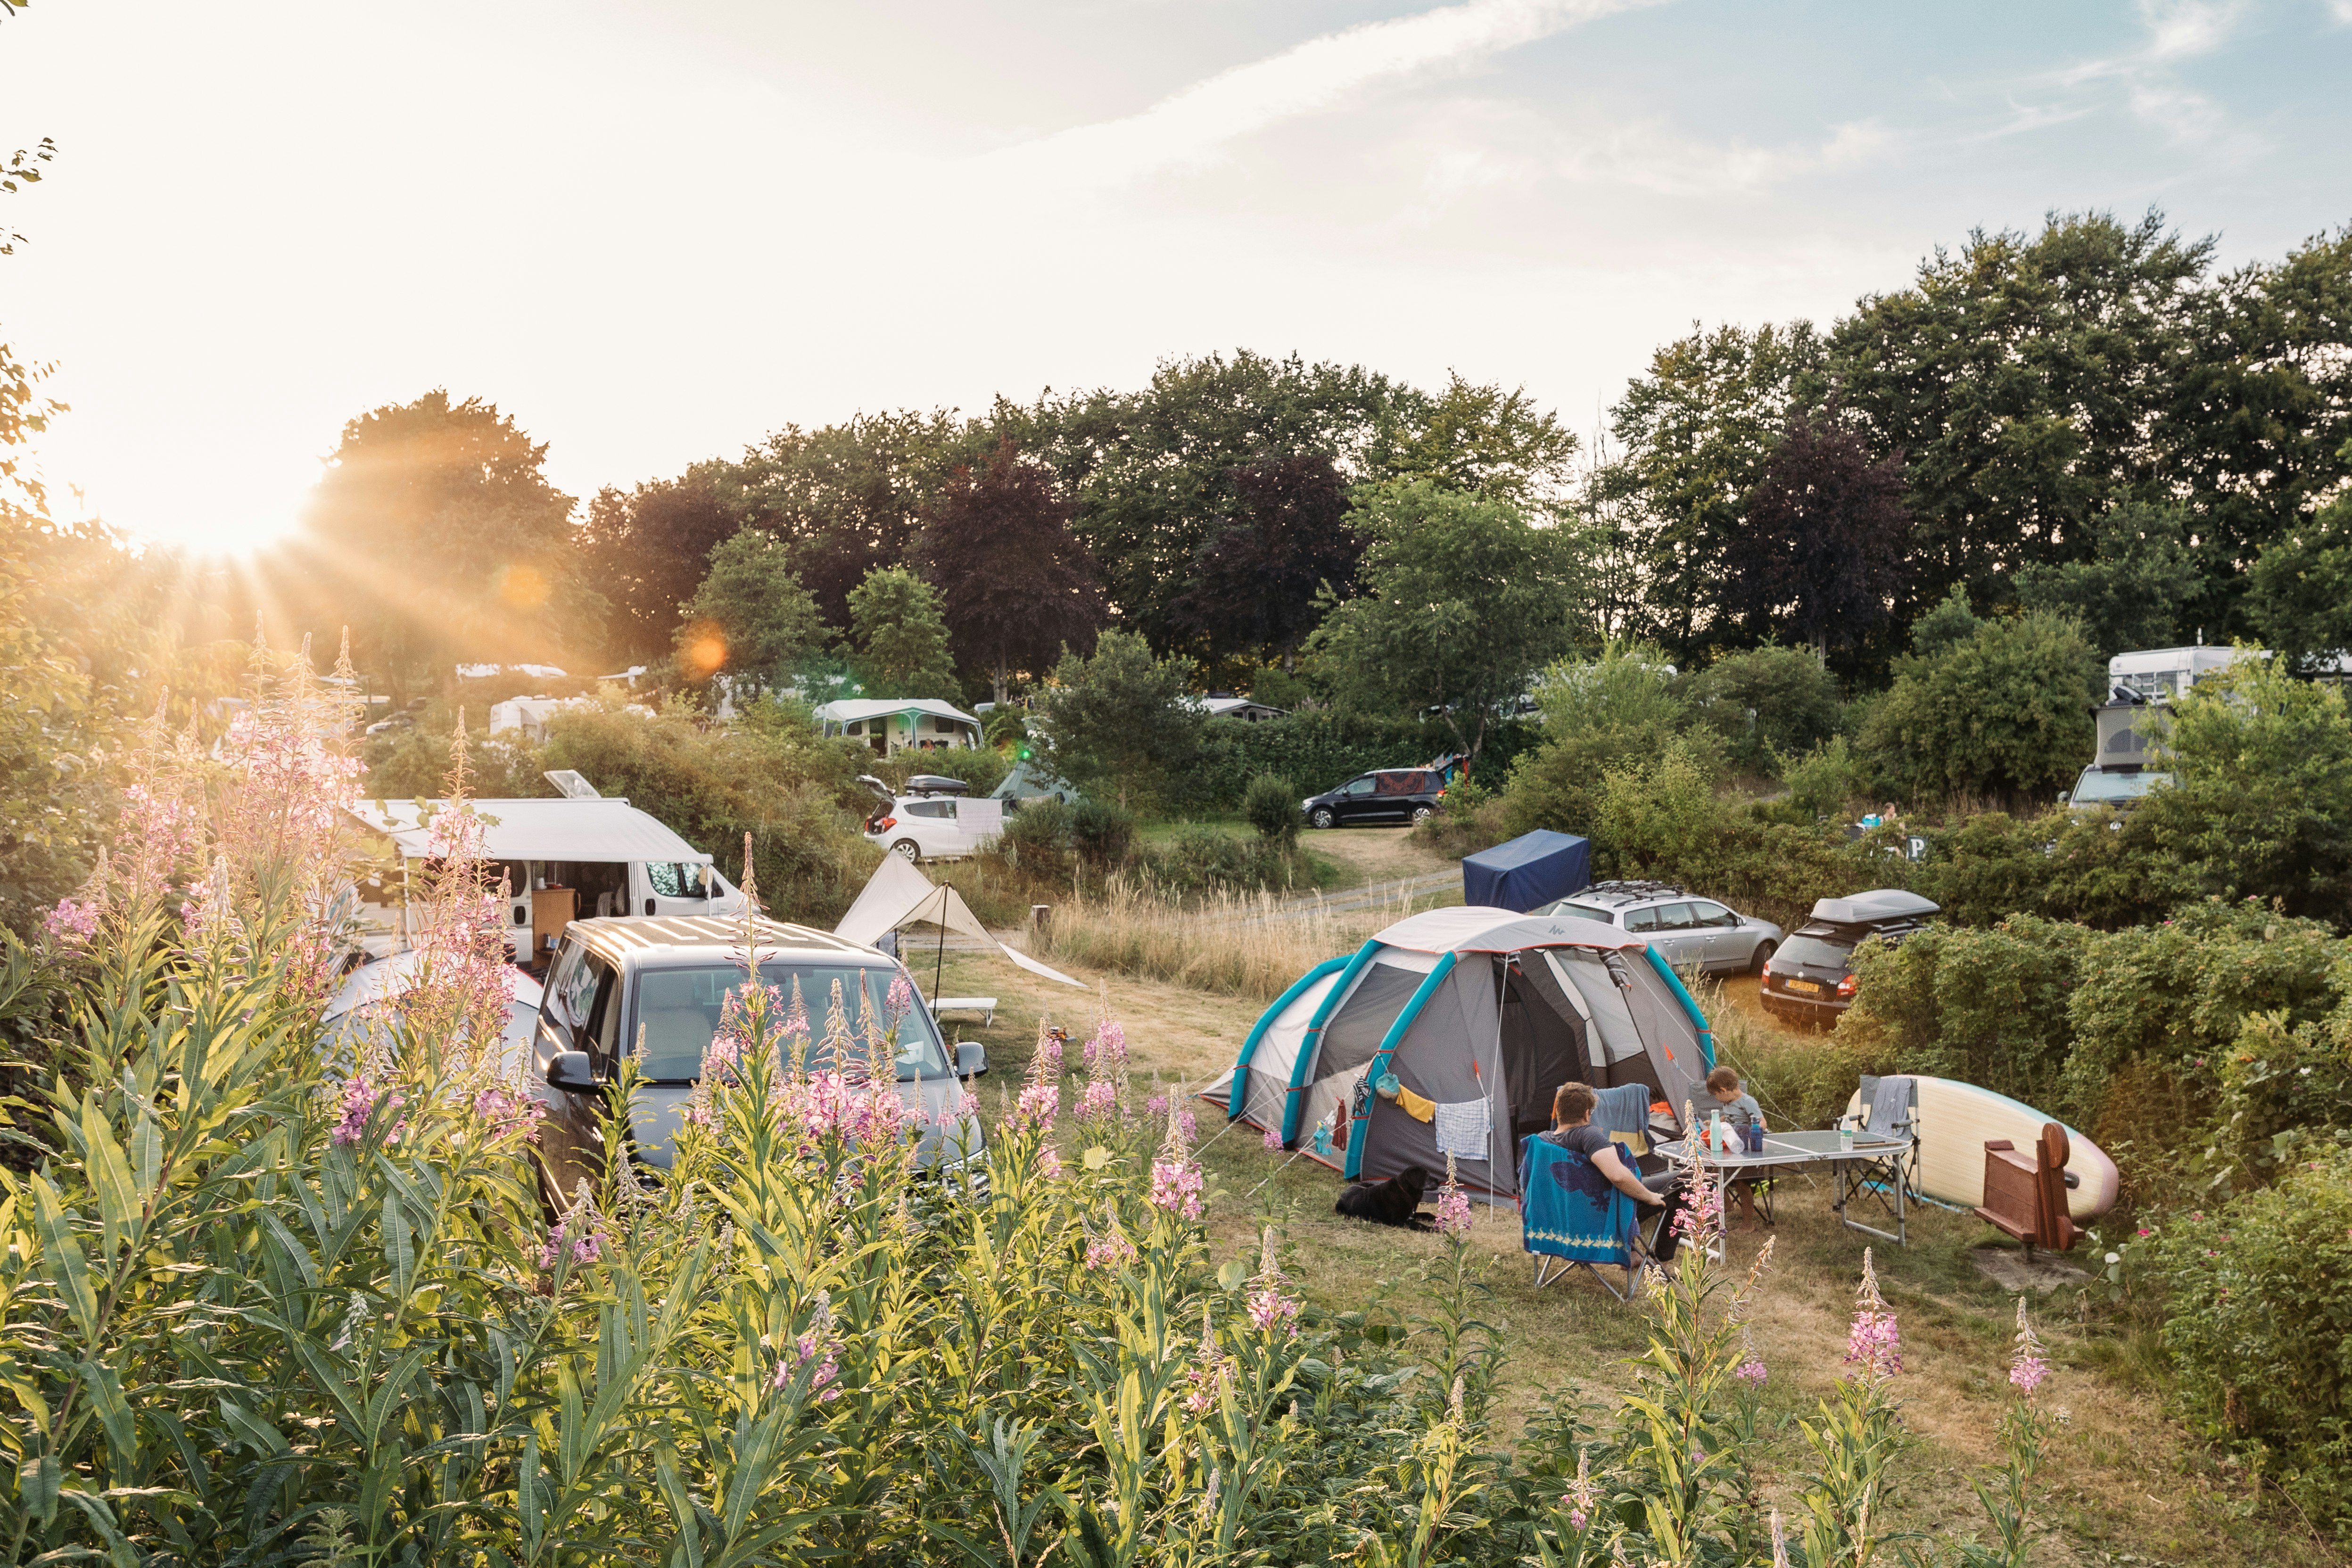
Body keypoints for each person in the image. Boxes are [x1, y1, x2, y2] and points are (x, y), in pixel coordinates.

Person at [1543, 1081, 1690, 1260]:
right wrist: (1649, 1197)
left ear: (1558, 1112)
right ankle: (1662, 1259)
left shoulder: (1541, 1142)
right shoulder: (1588, 1135)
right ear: (1588, 1114)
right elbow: (1619, 1177)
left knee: (1619, 1188)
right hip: (1603, 1220)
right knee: (1687, 1180)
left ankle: (1633, 1253)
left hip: (1563, 1222)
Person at [1706, 1065, 1767, 1231]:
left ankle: (1748, 1225)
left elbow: (1762, 1122)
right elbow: (1731, 1118)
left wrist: (1754, 1131)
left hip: (1748, 1151)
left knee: (1742, 1184)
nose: (1717, 1099)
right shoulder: (1729, 1102)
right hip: (1732, 1148)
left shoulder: (1748, 1102)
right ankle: (1727, 1202)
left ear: (1724, 1090)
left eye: (1716, 1095)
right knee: (1713, 1171)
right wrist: (1717, 1121)